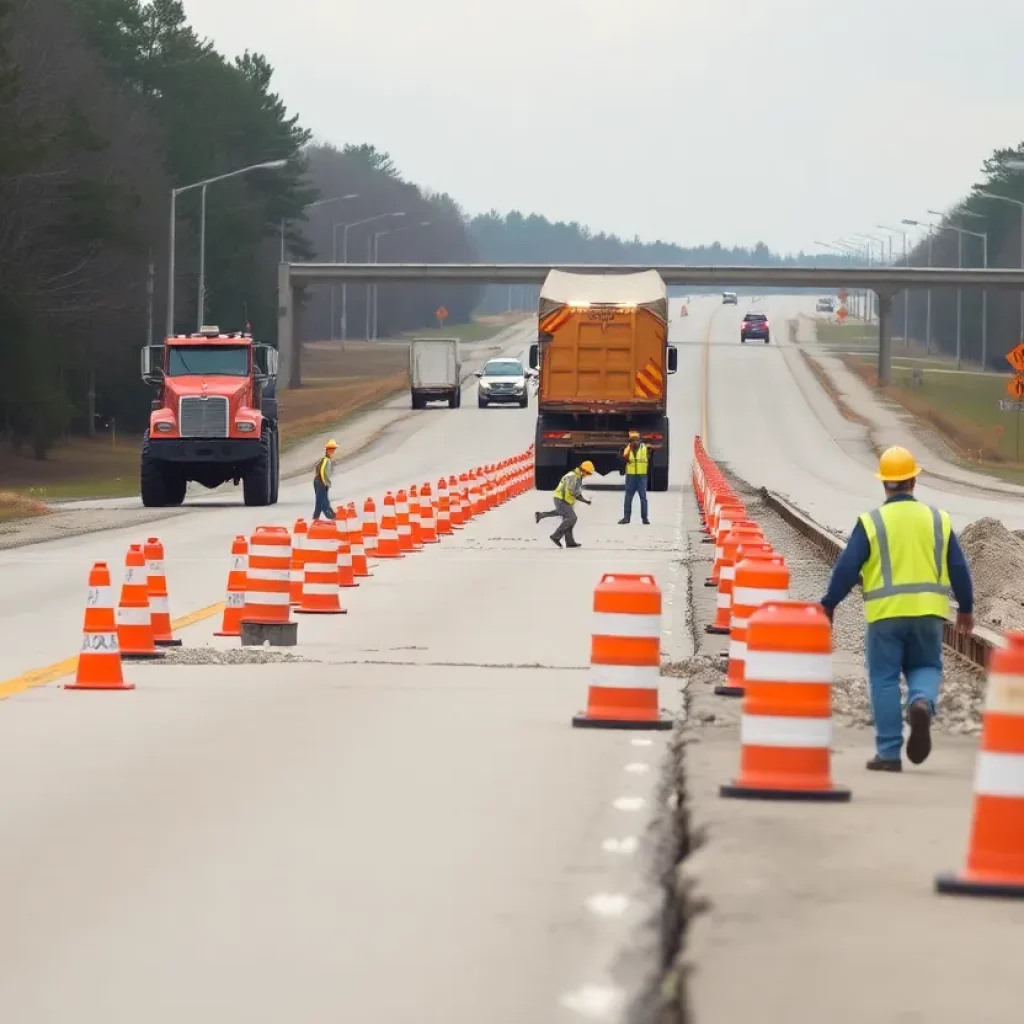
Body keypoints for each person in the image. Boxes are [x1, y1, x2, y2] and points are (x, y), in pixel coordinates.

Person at [820, 446, 974, 773]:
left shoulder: (872, 522)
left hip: (885, 615)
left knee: (885, 678)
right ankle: (920, 702)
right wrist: (966, 608)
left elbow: (848, 566)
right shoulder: (938, 519)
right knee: (927, 668)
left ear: (885, 484)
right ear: (913, 481)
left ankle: (889, 754)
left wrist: (829, 603)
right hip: (929, 615)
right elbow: (959, 566)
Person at [535, 461, 594, 548]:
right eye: (587, 473)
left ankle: (569, 541)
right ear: (583, 470)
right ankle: (556, 536)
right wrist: (585, 501)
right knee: (572, 518)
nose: (587, 475)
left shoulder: (575, 475)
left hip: (563, 499)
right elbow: (573, 492)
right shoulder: (574, 477)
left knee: (565, 516)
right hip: (561, 499)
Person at [618, 430, 650, 525]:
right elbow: (624, 458)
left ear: (639, 440)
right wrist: (625, 453)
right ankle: (626, 517)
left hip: (641, 476)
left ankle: (645, 518)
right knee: (628, 497)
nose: (634, 442)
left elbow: (649, 456)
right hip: (631, 476)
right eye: (632, 440)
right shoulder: (628, 448)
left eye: (635, 440)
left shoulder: (644, 448)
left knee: (643, 497)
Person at [313, 439, 338, 521]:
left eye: (333, 449)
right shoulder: (326, 460)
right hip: (320, 482)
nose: (332, 451)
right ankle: (332, 517)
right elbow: (322, 471)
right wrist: (325, 483)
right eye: (331, 449)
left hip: (320, 482)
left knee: (320, 502)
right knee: (323, 502)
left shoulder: (327, 459)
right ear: (327, 450)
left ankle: (316, 518)